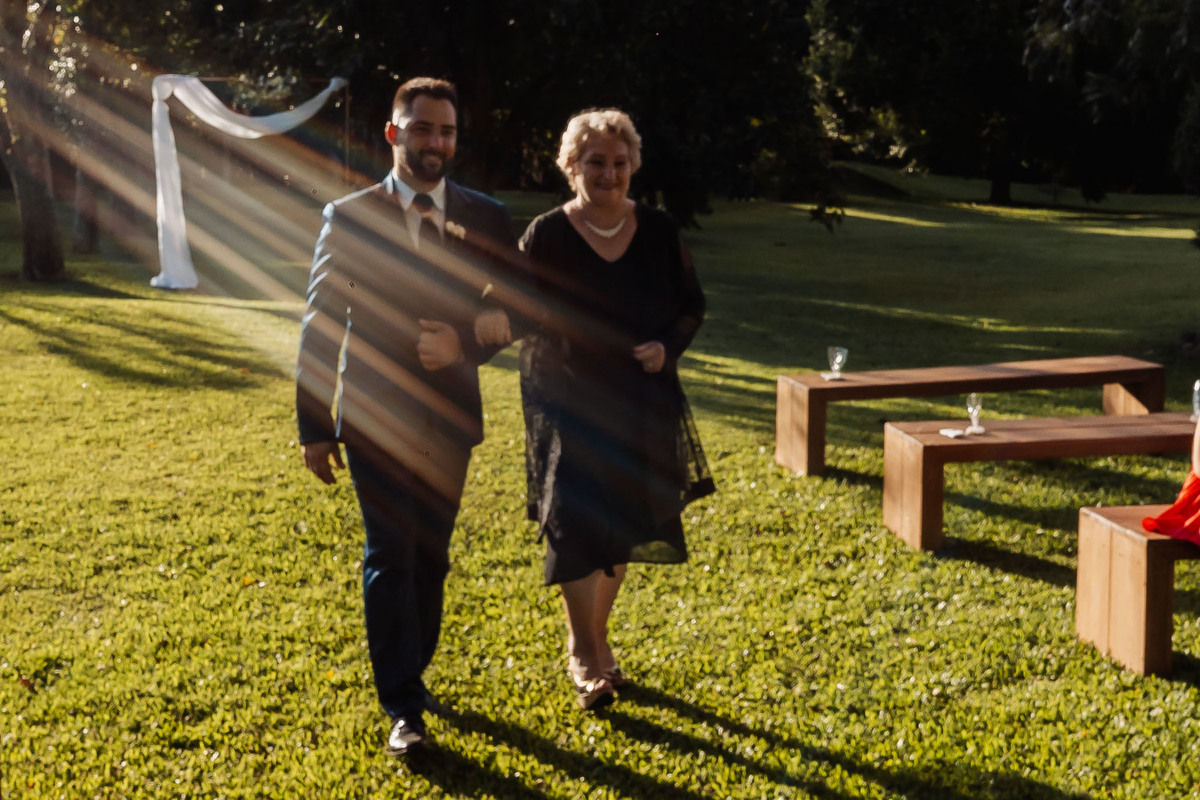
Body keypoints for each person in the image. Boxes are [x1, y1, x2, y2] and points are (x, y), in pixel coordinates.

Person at [295, 77, 518, 757]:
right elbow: (321, 321)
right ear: (394, 134)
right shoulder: (351, 215)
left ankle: (411, 668)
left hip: (451, 415)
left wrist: (469, 342)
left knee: (431, 555)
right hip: (372, 417)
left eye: (447, 132)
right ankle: (403, 705)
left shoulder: (486, 216)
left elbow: (526, 306)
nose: (436, 143)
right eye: (422, 129)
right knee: (390, 551)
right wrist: (314, 426)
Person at [486, 108, 715, 710]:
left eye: (619, 163)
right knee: (574, 521)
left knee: (622, 522)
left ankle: (596, 638)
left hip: (640, 401)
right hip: (567, 400)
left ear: (632, 165)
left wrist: (668, 346)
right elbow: (513, 302)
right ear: (571, 167)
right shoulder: (547, 234)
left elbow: (692, 305)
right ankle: (584, 652)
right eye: (596, 163)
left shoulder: (661, 230)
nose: (609, 174)